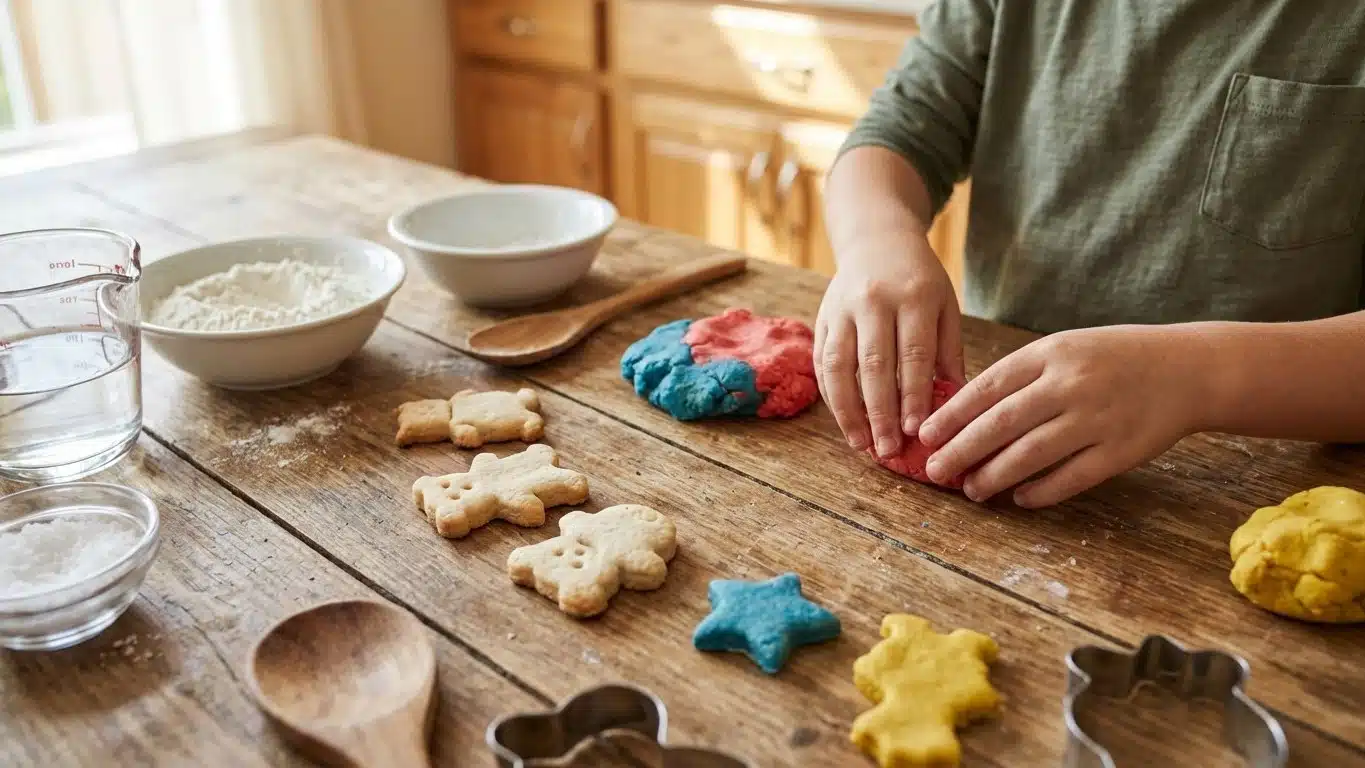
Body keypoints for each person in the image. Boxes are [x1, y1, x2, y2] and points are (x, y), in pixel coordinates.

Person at [815, 1, 1365, 508]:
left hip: (1267, 480)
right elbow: (898, 131)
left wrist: (1193, 376)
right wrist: (876, 238)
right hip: (997, 406)